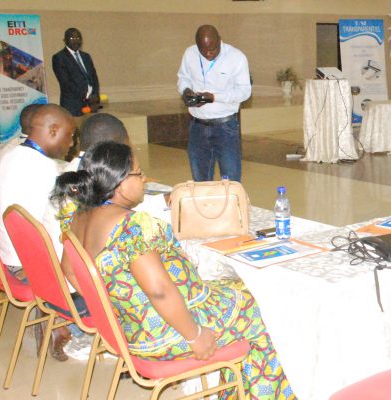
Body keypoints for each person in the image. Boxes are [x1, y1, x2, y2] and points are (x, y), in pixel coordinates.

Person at [53, 142, 294, 399]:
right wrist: (195, 335)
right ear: (120, 183)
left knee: (237, 287)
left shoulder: (79, 216)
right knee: (265, 308)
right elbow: (159, 291)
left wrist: (116, 307)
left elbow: (69, 270)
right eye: (138, 173)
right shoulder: (130, 226)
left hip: (131, 327)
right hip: (166, 333)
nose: (144, 178)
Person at [0, 105, 76, 360]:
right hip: (31, 266)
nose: (71, 143)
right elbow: (57, 224)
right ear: (53, 130)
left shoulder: (12, 155)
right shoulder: (42, 168)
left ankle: (55, 315)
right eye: (70, 135)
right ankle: (66, 319)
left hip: (9, 255)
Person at [177, 25, 251, 182]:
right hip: (197, 126)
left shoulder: (236, 57)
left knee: (230, 180)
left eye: (212, 49)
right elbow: (183, 78)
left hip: (225, 127)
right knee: (200, 180)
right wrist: (186, 91)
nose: (208, 54)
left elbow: (244, 92)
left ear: (219, 41)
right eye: (203, 50)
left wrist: (214, 97)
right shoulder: (190, 54)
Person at [52, 28, 101, 117]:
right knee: (76, 126)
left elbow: (94, 77)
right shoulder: (59, 58)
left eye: (78, 38)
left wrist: (95, 94)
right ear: (64, 40)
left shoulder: (86, 56)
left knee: (91, 125)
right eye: (72, 38)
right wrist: (86, 95)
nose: (75, 41)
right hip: (73, 105)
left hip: (91, 103)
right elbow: (65, 83)